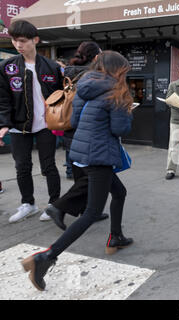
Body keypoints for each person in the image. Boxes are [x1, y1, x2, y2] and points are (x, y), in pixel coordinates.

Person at [21, 51, 134, 291]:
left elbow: (77, 119)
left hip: (83, 151)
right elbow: (119, 128)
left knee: (120, 192)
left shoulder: (85, 85)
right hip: (100, 155)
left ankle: (116, 236)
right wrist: (127, 111)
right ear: (117, 70)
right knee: (91, 213)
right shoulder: (117, 92)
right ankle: (46, 257)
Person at [0, 20, 63, 223]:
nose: (18, 45)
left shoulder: (52, 66)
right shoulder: (6, 67)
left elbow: (62, 96)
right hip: (19, 126)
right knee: (22, 167)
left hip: (46, 125)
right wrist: (3, 124)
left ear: (35, 40)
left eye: (23, 41)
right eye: (15, 40)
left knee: (49, 166)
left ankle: (54, 205)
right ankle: (28, 204)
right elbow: (3, 99)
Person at [44, 42, 109, 231]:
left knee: (81, 174)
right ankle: (58, 207)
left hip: (68, 128)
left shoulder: (68, 72)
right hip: (86, 130)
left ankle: (89, 211)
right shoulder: (93, 76)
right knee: (92, 177)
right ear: (96, 57)